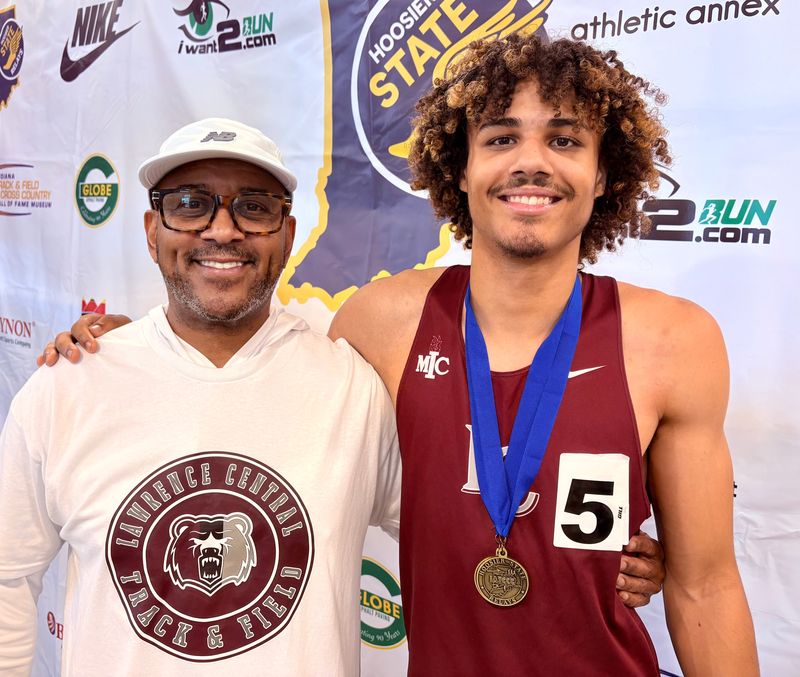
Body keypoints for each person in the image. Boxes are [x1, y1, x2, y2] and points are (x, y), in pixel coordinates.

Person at [36, 41, 679, 671]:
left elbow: (452, 500)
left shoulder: (667, 339)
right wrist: (129, 349)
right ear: (459, 166)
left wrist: (599, 556)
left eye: (564, 139)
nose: (222, 229)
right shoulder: (374, 327)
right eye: (502, 137)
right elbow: (229, 389)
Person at [0, 118, 402, 674]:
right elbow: (7, 577)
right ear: (151, 231)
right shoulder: (69, 384)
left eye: (254, 206)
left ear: (286, 233)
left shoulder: (354, 390)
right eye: (190, 204)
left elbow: (455, 532)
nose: (222, 230)